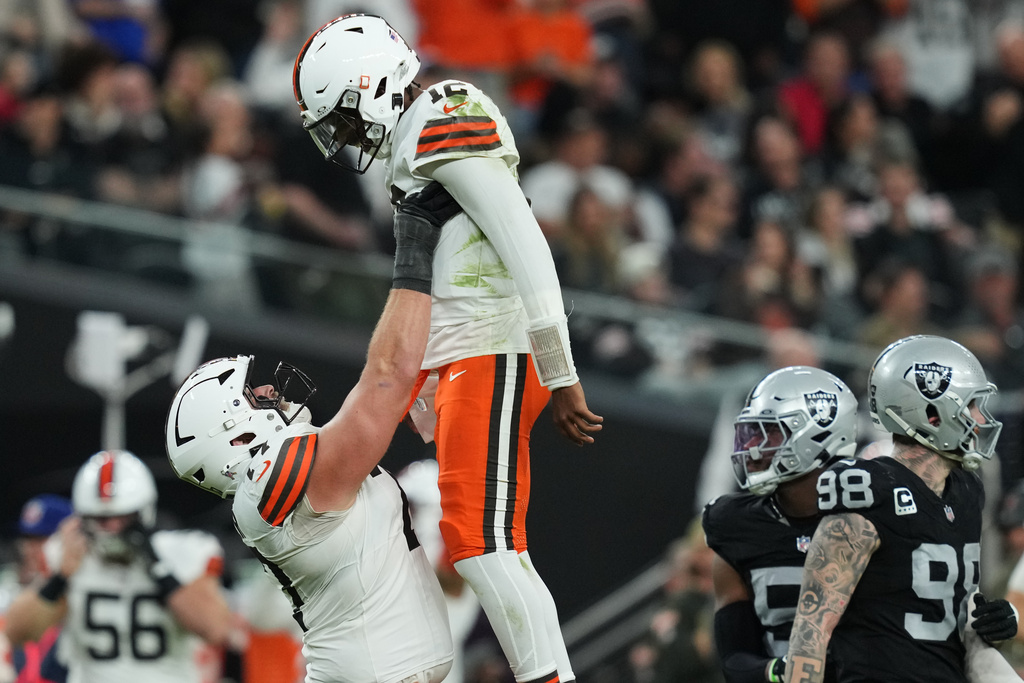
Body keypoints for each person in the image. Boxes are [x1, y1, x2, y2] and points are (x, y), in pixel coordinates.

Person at [291, 14, 604, 683]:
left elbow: (522, 236)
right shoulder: (414, 139)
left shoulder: (442, 110)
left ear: (371, 86)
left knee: (483, 544)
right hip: (471, 355)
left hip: (498, 350)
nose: (345, 137)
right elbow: (453, 271)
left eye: (343, 117)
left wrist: (561, 364)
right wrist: (431, 376)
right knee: (481, 546)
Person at [164, 178, 459, 683]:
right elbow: (385, 378)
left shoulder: (268, 488)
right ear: (234, 435)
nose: (271, 394)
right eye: (253, 396)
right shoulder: (271, 479)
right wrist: (414, 249)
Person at [786, 335, 1020, 683]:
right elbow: (810, 633)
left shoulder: (967, 490)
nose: (981, 419)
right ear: (932, 413)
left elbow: (949, 607)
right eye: (971, 405)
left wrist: (995, 619)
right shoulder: (867, 492)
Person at [3, 450, 233, 683]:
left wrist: (158, 566)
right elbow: (17, 633)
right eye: (101, 519)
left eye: (122, 517)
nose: (112, 528)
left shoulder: (179, 552)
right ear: (83, 517)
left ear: (143, 512)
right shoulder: (70, 555)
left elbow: (215, 629)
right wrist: (60, 577)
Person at [703, 365, 858, 683]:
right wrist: (783, 671)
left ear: (819, 432)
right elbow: (735, 659)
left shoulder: (875, 518)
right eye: (750, 433)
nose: (750, 447)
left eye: (768, 432)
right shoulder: (737, 527)